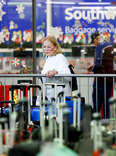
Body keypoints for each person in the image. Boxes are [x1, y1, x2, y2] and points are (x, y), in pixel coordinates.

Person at [88, 32, 114, 118]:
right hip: (110, 79)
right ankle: (107, 125)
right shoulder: (109, 45)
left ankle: (96, 124)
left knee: (97, 103)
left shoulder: (100, 46)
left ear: (96, 39)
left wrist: (91, 68)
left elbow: (99, 64)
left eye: (93, 41)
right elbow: (106, 62)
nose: (94, 44)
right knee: (107, 104)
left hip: (100, 80)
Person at [41, 36, 71, 101]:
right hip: (50, 95)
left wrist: (56, 72)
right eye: (44, 47)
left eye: (48, 47)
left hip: (60, 94)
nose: (46, 49)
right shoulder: (48, 58)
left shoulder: (60, 57)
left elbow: (68, 76)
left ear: (55, 48)